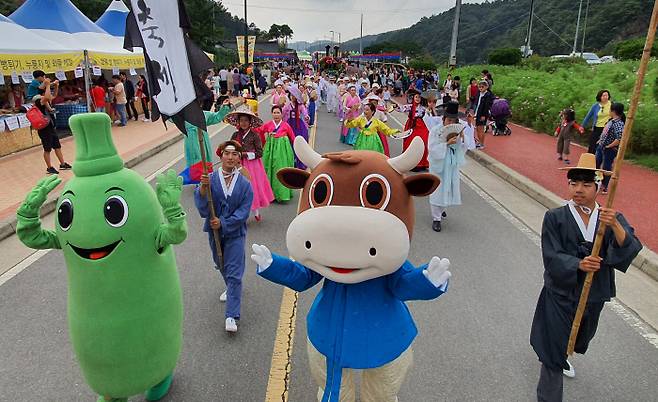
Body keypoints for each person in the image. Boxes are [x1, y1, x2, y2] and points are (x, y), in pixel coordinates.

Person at [530, 153, 642, 402]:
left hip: (594, 293)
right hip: (561, 291)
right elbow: (551, 255)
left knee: (579, 339)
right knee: (552, 347)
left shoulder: (609, 217)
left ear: (598, 187)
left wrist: (615, 226)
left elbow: (630, 247)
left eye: (586, 185)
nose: (578, 190)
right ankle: (551, 379)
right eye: (573, 184)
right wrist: (578, 263)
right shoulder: (555, 217)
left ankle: (563, 354)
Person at [195, 140, 254, 333]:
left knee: (235, 272)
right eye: (227, 153)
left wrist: (225, 223)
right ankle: (230, 286)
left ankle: (231, 315)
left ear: (239, 158)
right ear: (221, 156)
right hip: (214, 232)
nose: (230, 157)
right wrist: (203, 189)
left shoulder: (245, 184)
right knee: (220, 263)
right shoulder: (210, 179)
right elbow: (203, 208)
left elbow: (244, 212)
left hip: (235, 232)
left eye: (234, 154)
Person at [227, 109, 274, 221]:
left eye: (246, 120)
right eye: (241, 120)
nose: (243, 123)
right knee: (237, 188)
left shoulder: (255, 135)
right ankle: (240, 212)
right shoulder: (235, 135)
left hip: (252, 165)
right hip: (237, 164)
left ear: (250, 122)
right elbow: (230, 147)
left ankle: (255, 211)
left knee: (251, 188)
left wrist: (246, 154)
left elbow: (259, 152)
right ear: (238, 122)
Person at [428, 102, 467, 232]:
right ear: (443, 118)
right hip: (438, 164)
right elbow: (432, 149)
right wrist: (445, 144)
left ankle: (442, 207)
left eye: (453, 120)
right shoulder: (435, 131)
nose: (450, 123)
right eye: (448, 120)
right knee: (437, 189)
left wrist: (462, 138)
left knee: (448, 187)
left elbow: (464, 148)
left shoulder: (457, 131)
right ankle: (436, 218)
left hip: (450, 163)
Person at [253, 105, 296, 202]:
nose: (276, 115)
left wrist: (297, 150)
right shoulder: (268, 124)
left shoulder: (286, 125)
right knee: (269, 170)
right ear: (271, 114)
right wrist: (252, 122)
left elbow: (293, 138)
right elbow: (258, 130)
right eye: (274, 113)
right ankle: (270, 194)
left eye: (278, 113)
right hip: (270, 150)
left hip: (282, 151)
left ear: (281, 114)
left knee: (280, 169)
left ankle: (281, 194)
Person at [32, 86, 72, 174]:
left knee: (57, 146)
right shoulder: (39, 101)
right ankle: (49, 168)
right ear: (43, 93)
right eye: (48, 91)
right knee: (47, 149)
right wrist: (48, 85)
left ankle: (62, 164)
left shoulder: (46, 100)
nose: (50, 93)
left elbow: (54, 96)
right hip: (44, 129)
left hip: (51, 127)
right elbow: (47, 97)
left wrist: (57, 86)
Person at [595, 103, 625, 195]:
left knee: (606, 167)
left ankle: (605, 186)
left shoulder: (619, 123)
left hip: (609, 149)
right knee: (596, 162)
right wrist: (600, 140)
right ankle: (596, 181)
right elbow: (605, 132)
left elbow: (619, 138)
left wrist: (609, 146)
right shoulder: (611, 121)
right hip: (601, 146)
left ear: (613, 111)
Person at [398, 88, 430, 171]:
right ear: (413, 98)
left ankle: (422, 163)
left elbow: (430, 115)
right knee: (411, 143)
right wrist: (394, 107)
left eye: (419, 97)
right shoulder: (410, 106)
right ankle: (411, 162)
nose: (417, 99)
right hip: (412, 126)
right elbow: (401, 108)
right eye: (416, 97)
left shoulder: (423, 108)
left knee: (423, 142)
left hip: (422, 127)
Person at [282, 86, 310, 169]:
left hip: (298, 125)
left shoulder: (300, 106)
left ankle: (299, 162)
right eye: (291, 95)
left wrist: (307, 117)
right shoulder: (287, 105)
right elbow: (282, 113)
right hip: (289, 125)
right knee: (289, 143)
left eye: (294, 96)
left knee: (299, 143)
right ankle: (290, 161)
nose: (292, 97)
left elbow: (305, 113)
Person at [581, 90, 612, 154]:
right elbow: (588, 116)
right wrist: (582, 126)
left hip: (607, 128)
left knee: (601, 147)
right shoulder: (595, 106)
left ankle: (598, 161)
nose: (605, 97)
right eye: (603, 95)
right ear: (600, 97)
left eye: (607, 95)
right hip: (597, 128)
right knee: (592, 145)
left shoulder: (612, 105)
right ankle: (589, 161)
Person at [474, 80, 494, 149]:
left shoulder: (487, 95)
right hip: (478, 112)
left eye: (482, 87)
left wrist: (484, 115)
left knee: (481, 129)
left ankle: (482, 144)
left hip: (482, 114)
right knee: (477, 129)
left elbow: (486, 106)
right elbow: (477, 104)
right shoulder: (479, 94)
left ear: (486, 87)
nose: (481, 88)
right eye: (479, 87)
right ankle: (479, 142)